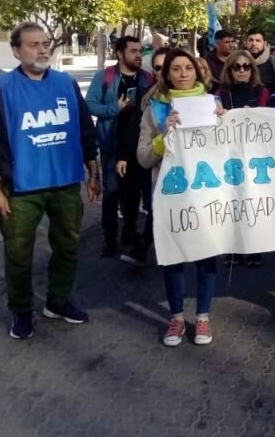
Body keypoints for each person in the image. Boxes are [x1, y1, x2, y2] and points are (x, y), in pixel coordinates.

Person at [0, 22, 101, 339]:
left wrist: (93, 171)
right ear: (16, 51)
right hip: (20, 190)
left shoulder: (66, 84)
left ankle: (57, 302)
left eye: (45, 43)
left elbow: (85, 130)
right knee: (18, 255)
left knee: (69, 247)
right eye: (33, 44)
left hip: (65, 183)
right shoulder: (1, 88)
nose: (43, 49)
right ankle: (21, 311)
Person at [137, 48, 224, 346]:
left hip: (206, 193)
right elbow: (144, 157)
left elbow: (228, 151)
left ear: (198, 72)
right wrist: (164, 135)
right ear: (167, 74)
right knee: (173, 256)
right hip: (170, 196)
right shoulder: (155, 109)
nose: (183, 74)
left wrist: (225, 125)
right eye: (176, 69)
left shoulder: (214, 104)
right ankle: (176, 318)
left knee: (205, 254)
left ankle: (202, 317)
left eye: (189, 68)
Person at [85, 36, 155, 257]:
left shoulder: (146, 78)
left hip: (137, 145)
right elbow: (90, 105)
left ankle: (129, 231)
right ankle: (110, 238)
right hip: (112, 145)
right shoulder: (104, 77)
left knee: (133, 193)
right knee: (113, 192)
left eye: (140, 51)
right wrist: (114, 109)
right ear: (120, 53)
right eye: (134, 51)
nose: (138, 55)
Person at [215, 50, 273, 268]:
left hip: (255, 153)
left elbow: (269, 118)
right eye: (236, 67)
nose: (241, 70)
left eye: (246, 66)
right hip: (229, 152)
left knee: (253, 200)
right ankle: (233, 247)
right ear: (229, 70)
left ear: (252, 69)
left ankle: (255, 248)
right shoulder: (220, 93)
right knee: (231, 199)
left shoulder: (262, 92)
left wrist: (256, 113)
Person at [115, 48, 165, 266]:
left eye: (167, 66)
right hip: (154, 163)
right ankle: (142, 247)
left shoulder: (197, 96)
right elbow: (135, 128)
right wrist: (124, 155)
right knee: (155, 206)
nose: (162, 72)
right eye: (158, 67)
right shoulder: (148, 96)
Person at [245, 28, 275, 93]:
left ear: (265, 43)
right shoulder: (238, 62)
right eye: (251, 40)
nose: (254, 43)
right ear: (246, 42)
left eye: (258, 40)